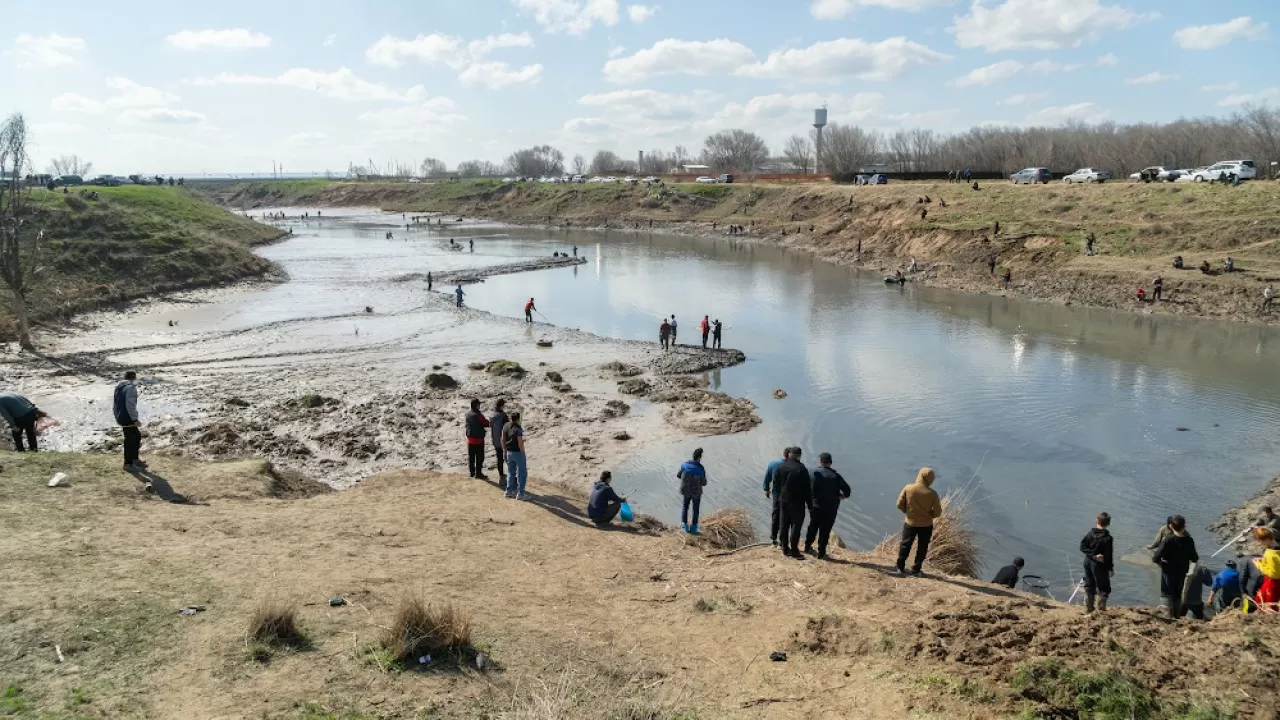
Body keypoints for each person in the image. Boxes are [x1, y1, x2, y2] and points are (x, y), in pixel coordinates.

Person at [895, 467, 942, 575]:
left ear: (919, 476)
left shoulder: (908, 488)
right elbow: (938, 512)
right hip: (926, 525)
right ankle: (916, 569)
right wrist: (929, 515)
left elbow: (899, 504)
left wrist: (907, 512)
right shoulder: (932, 494)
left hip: (910, 522)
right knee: (922, 547)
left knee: (905, 545)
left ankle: (900, 567)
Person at [804, 452, 851, 559]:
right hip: (830, 508)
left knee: (813, 526)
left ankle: (807, 546)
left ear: (820, 461)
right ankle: (821, 552)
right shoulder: (835, 476)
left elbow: (805, 486)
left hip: (814, 506)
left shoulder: (812, 472)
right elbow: (847, 491)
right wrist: (842, 496)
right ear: (831, 462)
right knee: (825, 530)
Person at [1152, 514, 1199, 618]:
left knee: (1166, 593)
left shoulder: (1168, 540)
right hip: (1182, 572)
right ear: (1184, 526)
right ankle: (1176, 615)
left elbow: (1155, 557)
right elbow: (1195, 558)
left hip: (1168, 571)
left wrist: (1161, 563)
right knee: (1177, 594)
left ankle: (1167, 615)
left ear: (1171, 527)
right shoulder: (1189, 540)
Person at [775, 447, 812, 559]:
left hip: (784, 500)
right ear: (799, 456)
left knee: (783, 524)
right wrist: (810, 505)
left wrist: (778, 498)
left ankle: (785, 548)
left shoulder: (781, 467)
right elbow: (807, 489)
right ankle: (794, 550)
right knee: (796, 526)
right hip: (797, 502)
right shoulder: (801, 469)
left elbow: (776, 484)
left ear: (790, 454)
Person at [1080, 511, 1114, 613]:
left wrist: (1093, 556)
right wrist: (1110, 568)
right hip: (1099, 565)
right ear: (1108, 524)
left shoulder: (1090, 533)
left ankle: (1089, 607)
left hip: (1088, 562)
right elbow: (1108, 555)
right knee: (1104, 587)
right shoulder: (1108, 538)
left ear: (1096, 521)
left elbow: (1082, 546)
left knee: (1089, 585)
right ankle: (1101, 609)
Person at [113, 371, 146, 471]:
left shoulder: (119, 387)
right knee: (130, 440)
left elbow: (115, 403)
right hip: (128, 417)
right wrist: (135, 419)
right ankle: (128, 464)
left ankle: (134, 459)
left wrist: (116, 415)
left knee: (136, 436)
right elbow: (130, 405)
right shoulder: (131, 388)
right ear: (134, 378)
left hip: (121, 416)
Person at [1244, 527, 1280, 612]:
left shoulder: (1270, 553)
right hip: (1276, 582)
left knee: (1266, 604)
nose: (1260, 543)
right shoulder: (1277, 547)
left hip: (1272, 583)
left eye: (1260, 541)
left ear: (1266, 539)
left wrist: (1259, 565)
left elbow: (1273, 574)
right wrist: (1263, 561)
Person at [763, 447, 791, 546]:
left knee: (776, 514)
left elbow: (767, 478)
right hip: (788, 494)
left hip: (776, 493)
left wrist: (766, 489)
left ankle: (773, 537)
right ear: (789, 455)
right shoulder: (791, 466)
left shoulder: (772, 464)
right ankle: (783, 539)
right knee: (785, 517)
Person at [677, 448, 707, 534]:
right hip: (696, 492)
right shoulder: (701, 468)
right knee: (695, 509)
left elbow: (678, 475)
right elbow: (704, 483)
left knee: (685, 507)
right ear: (700, 457)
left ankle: (684, 527)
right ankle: (694, 528)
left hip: (685, 490)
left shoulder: (685, 465)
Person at [502, 411, 528, 500]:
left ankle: (508, 491)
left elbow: (502, 439)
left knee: (510, 473)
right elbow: (520, 443)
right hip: (518, 453)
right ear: (518, 419)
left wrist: (504, 450)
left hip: (509, 452)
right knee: (522, 474)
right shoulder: (518, 429)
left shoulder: (506, 426)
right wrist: (523, 453)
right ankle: (520, 493)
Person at [464, 399, 490, 479]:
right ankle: (478, 474)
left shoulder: (467, 414)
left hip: (470, 439)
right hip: (478, 440)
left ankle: (472, 473)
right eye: (479, 404)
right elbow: (486, 423)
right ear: (476, 405)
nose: (479, 406)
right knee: (480, 457)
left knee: (471, 457)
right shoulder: (479, 415)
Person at [490, 399, 509, 481]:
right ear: (501, 406)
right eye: (503, 405)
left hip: (495, 440)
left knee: (499, 458)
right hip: (503, 441)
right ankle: (512, 476)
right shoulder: (503, 416)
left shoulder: (492, 415)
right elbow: (508, 428)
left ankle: (501, 474)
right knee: (508, 458)